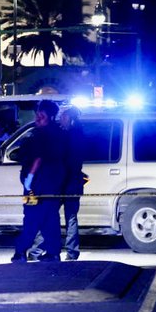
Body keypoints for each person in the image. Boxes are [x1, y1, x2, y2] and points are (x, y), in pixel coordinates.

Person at [11, 99, 65, 263]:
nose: (37, 118)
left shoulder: (41, 135)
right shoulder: (59, 133)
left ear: (50, 116)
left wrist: (30, 178)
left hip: (37, 185)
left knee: (31, 218)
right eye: (37, 114)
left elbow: (38, 158)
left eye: (41, 115)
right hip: (53, 185)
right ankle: (53, 252)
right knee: (50, 219)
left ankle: (20, 252)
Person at [58, 105, 85, 260]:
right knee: (71, 217)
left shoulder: (68, 136)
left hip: (64, 183)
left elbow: (64, 160)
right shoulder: (79, 134)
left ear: (69, 118)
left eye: (63, 116)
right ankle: (72, 251)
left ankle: (49, 249)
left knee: (52, 215)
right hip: (74, 183)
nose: (60, 119)